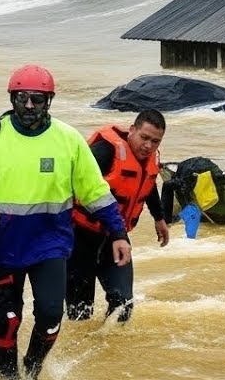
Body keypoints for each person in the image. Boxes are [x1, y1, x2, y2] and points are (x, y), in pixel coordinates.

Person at [0, 64, 132, 380]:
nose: (29, 106)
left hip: (50, 245)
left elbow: (96, 193)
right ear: (12, 99)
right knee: (8, 318)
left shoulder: (68, 140)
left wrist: (118, 233)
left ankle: (31, 377)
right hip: (1, 247)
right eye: (22, 98)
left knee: (50, 316)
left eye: (37, 98)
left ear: (49, 100)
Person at [66, 109, 169, 323]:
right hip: (80, 237)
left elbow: (147, 185)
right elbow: (71, 183)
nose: (148, 146)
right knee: (80, 314)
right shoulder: (104, 151)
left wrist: (159, 218)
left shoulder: (149, 160)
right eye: (144, 137)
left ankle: (112, 351)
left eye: (155, 141)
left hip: (117, 238)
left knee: (123, 305)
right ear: (132, 130)